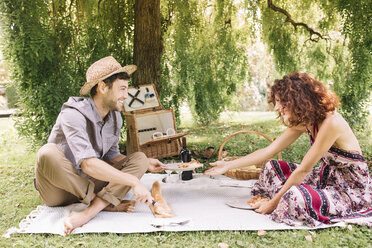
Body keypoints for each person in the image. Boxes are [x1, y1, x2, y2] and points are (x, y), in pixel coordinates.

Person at [205, 72, 372, 227]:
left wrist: (272, 204)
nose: (277, 108)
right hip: (326, 180)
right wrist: (228, 165)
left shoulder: (332, 122)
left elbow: (303, 170)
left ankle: (282, 197)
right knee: (272, 167)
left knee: (296, 195)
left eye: (280, 101)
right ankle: (285, 195)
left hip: (350, 192)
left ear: (296, 99)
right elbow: (268, 151)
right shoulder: (306, 122)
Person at [34, 56, 165, 235]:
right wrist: (133, 181)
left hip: (90, 183)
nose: (126, 96)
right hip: (59, 189)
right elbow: (87, 163)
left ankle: (92, 209)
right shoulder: (73, 114)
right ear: (103, 87)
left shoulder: (115, 118)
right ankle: (102, 205)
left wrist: (145, 164)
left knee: (140, 158)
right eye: (122, 89)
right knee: (46, 152)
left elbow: (112, 156)